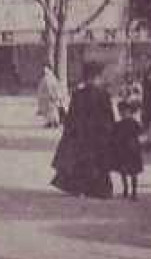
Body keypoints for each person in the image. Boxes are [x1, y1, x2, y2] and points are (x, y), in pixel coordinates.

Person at [49, 63, 115, 198]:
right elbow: (108, 116)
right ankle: (97, 190)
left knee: (81, 162)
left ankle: (80, 188)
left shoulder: (78, 94)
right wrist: (110, 131)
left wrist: (70, 133)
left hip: (82, 134)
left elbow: (72, 116)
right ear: (96, 77)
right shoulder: (103, 94)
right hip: (97, 134)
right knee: (97, 162)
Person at [109, 99, 145, 199]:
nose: (123, 114)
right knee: (125, 171)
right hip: (127, 149)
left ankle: (133, 191)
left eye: (125, 112)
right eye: (122, 112)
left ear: (129, 112)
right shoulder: (124, 124)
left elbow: (140, 133)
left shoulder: (128, 123)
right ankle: (127, 190)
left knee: (131, 172)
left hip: (130, 149)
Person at [37, 65, 66, 129]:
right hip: (48, 98)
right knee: (50, 111)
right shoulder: (48, 78)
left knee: (53, 111)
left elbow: (53, 88)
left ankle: (55, 122)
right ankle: (50, 122)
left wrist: (55, 96)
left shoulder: (50, 78)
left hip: (51, 98)